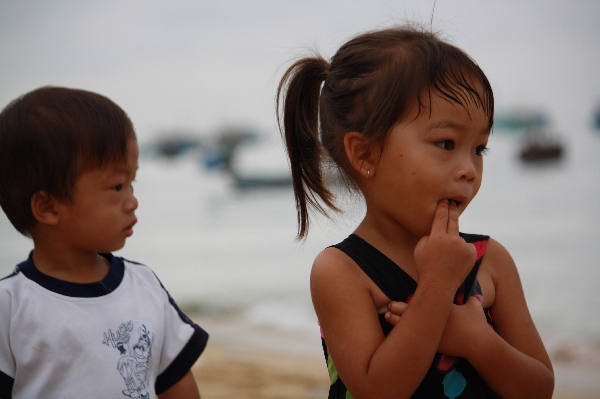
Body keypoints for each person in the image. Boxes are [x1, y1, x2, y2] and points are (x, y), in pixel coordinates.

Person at [277, 26, 554, 398]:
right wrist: (437, 286)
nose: (469, 169)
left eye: (479, 148)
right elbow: (379, 391)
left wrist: (477, 341)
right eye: (445, 143)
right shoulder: (342, 272)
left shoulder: (491, 261)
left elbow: (539, 388)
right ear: (365, 154)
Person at [0, 87, 208, 399]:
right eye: (116, 186)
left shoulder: (145, 287)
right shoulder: (11, 309)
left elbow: (178, 387)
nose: (133, 202)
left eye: (132, 183)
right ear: (48, 207)